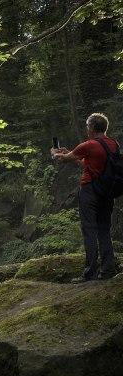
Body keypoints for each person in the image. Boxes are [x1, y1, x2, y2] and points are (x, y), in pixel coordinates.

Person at [51, 112, 118, 283]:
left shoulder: (88, 145)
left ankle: (89, 273)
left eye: (88, 126)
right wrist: (73, 156)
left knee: (89, 230)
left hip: (89, 190)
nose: (87, 129)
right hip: (107, 191)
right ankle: (108, 270)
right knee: (104, 229)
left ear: (93, 128)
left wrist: (55, 153)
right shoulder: (113, 144)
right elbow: (91, 163)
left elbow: (62, 159)